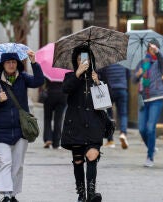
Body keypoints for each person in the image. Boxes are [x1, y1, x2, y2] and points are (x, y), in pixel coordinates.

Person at [0, 51, 44, 202]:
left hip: (21, 129)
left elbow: (38, 81)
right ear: (3, 65)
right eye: (8, 62)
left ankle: (13, 194)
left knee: (17, 165)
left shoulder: (23, 78)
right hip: (1, 130)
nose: (11, 65)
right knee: (5, 162)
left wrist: (34, 62)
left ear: (18, 64)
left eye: (14, 62)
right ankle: (7, 195)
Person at [61, 45, 105, 202]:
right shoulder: (70, 76)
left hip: (94, 124)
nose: (82, 61)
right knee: (78, 160)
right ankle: (82, 194)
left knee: (92, 155)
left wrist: (98, 83)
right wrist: (77, 73)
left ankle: (91, 194)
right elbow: (65, 89)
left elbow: (107, 101)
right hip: (76, 125)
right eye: (79, 59)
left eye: (85, 58)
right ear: (75, 61)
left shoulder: (97, 76)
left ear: (91, 59)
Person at [133, 38, 163, 167]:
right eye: (150, 48)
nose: (152, 50)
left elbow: (162, 60)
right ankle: (152, 147)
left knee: (151, 128)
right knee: (142, 129)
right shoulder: (141, 63)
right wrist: (137, 75)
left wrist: (157, 52)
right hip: (143, 99)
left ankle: (150, 156)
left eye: (154, 48)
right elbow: (133, 80)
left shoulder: (159, 63)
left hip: (156, 98)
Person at [99, 63, 130, 149]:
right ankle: (123, 133)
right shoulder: (124, 63)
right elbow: (128, 75)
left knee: (109, 115)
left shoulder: (107, 63)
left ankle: (110, 140)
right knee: (123, 114)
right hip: (122, 89)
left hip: (110, 90)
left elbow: (102, 75)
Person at [42, 78, 67, 149]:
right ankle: (56, 142)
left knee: (47, 118)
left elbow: (44, 83)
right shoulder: (65, 70)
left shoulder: (49, 70)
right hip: (63, 96)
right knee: (58, 119)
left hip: (50, 94)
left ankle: (48, 138)